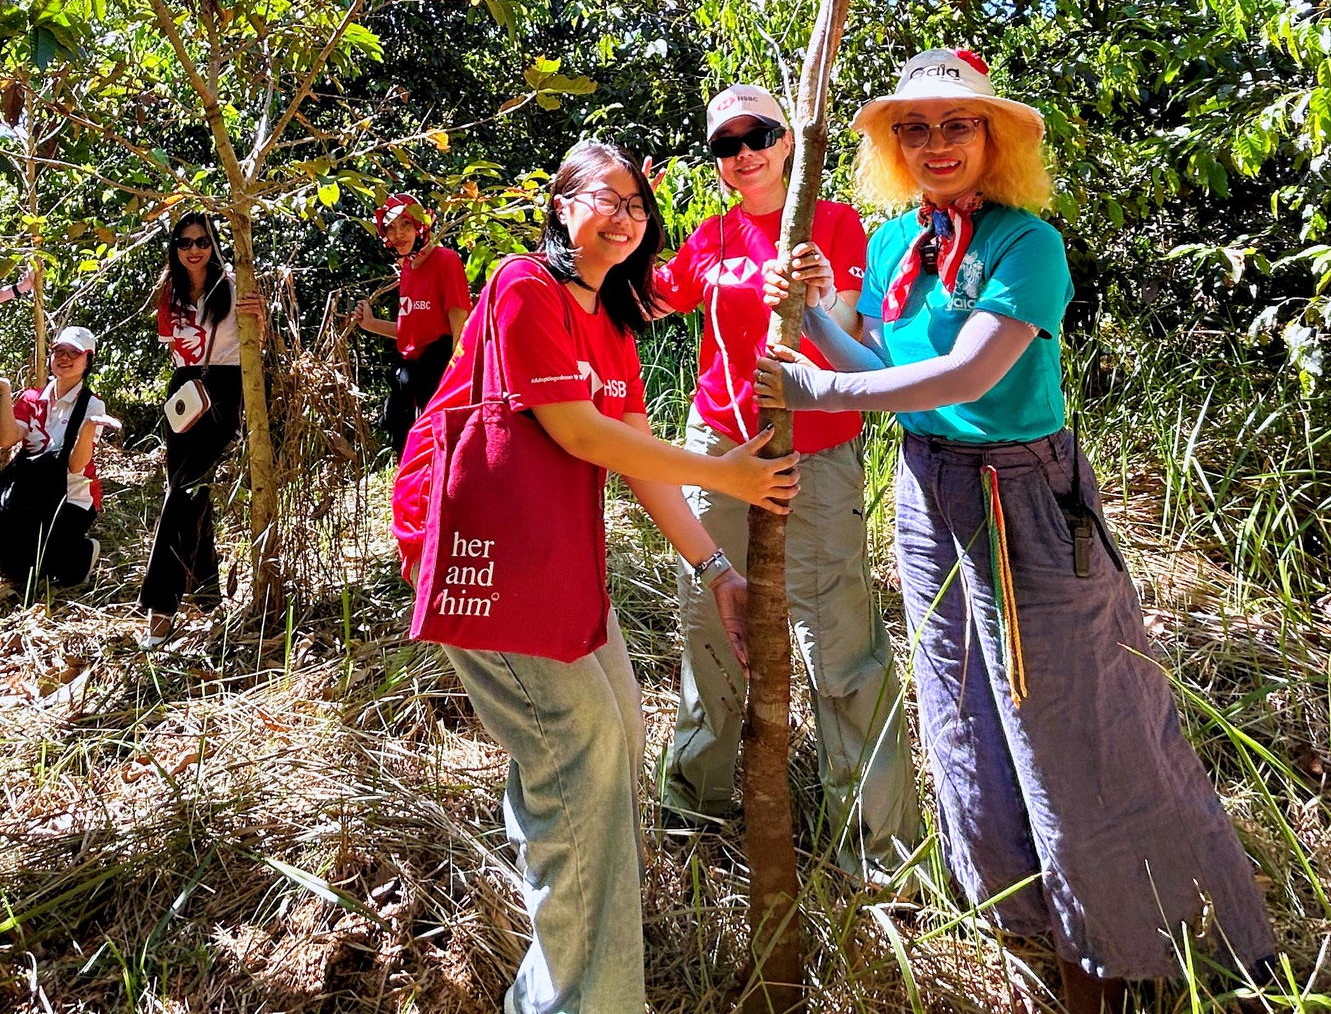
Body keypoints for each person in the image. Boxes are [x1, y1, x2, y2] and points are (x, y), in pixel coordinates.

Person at [758, 49, 1274, 1010]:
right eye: (913, 127)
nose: (934, 143)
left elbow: (967, 375)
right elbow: (877, 355)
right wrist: (821, 311)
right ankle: (1032, 937)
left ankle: (1123, 958)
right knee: (964, 721)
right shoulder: (892, 243)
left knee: (1066, 728)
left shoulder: (1025, 245)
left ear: (991, 138)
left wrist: (822, 386)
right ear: (890, 145)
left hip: (1019, 499)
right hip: (926, 490)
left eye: (956, 123)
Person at [394, 140, 800, 1014]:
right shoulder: (520, 284)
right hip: (484, 560)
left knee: (610, 743)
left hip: (559, 562)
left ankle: (557, 989)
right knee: (578, 757)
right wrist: (726, 474)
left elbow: (638, 460)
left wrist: (716, 566)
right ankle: (587, 1003)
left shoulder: (612, 321)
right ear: (559, 203)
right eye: (604, 197)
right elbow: (576, 431)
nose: (624, 215)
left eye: (638, 205)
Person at [649, 82, 920, 880]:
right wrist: (615, 213)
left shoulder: (829, 223)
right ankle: (694, 816)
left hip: (814, 454)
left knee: (838, 646)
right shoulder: (711, 234)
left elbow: (853, 353)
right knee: (711, 630)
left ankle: (881, 856)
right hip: (715, 449)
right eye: (725, 144)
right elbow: (641, 298)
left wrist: (810, 299)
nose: (744, 153)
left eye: (758, 133)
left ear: (789, 138)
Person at [138, 211, 264, 645]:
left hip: (223, 386)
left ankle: (161, 605)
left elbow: (253, 341)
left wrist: (258, 316)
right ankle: (207, 592)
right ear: (175, 247)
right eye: (185, 242)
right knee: (191, 489)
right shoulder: (167, 291)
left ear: (214, 244)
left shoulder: (233, 283)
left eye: (203, 241)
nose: (195, 250)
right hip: (182, 390)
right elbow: (172, 346)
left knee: (184, 490)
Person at [0, 324, 116, 593]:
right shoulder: (31, 398)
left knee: (55, 569)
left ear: (88, 360)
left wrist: (88, 428)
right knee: (19, 566)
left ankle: (82, 552)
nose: (64, 358)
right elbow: (7, 439)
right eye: (59, 351)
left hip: (73, 496)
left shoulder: (91, 404)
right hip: (29, 491)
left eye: (74, 353)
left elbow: (76, 465)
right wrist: (4, 392)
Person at [353, 193, 471, 453]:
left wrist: (458, 378)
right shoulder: (407, 268)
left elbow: (459, 324)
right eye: (391, 227)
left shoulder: (446, 260)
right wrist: (370, 323)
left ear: (421, 225)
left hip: (439, 369)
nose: (398, 234)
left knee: (441, 448)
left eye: (406, 224)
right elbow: (412, 331)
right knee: (402, 442)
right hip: (409, 373)